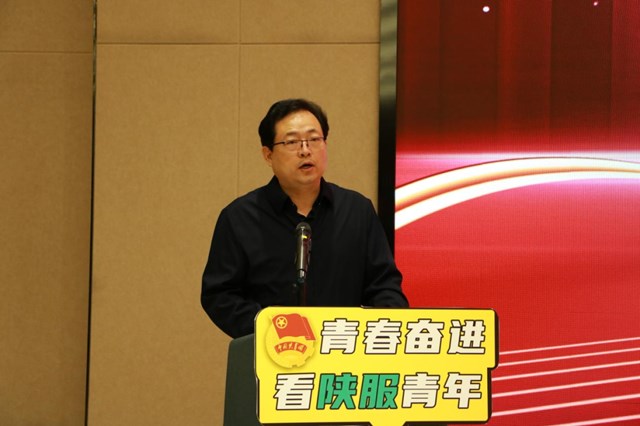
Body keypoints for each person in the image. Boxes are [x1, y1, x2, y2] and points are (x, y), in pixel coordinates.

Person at [201, 98, 408, 338]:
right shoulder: (239, 218)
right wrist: (273, 329)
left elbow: (385, 286)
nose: (305, 150)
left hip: (344, 350)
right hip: (273, 352)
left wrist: (378, 329)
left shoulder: (358, 211)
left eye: (314, 139)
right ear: (268, 155)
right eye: (291, 142)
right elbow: (220, 295)